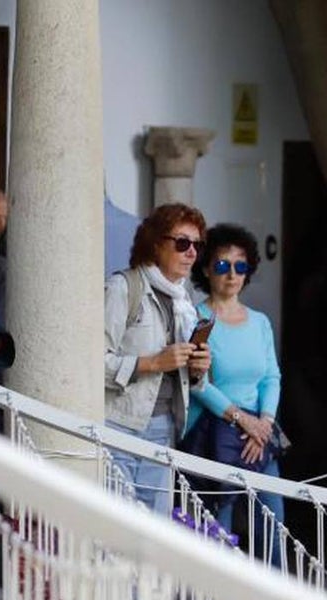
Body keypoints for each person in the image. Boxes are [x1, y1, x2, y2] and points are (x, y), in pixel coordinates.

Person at [183, 223, 284, 565]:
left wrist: (264, 424)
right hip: (216, 435)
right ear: (207, 269)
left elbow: (271, 376)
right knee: (217, 531)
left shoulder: (259, 323)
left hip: (258, 439)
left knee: (273, 525)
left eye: (240, 266)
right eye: (223, 265)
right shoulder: (197, 318)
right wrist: (243, 420)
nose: (231, 275)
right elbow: (198, 384)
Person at [103, 203, 211, 516]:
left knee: (154, 533)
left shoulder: (184, 300)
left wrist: (197, 370)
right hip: (118, 422)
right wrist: (152, 363)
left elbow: (188, 379)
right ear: (155, 244)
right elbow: (91, 363)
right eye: (182, 243)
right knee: (116, 525)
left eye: (196, 245)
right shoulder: (123, 288)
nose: (191, 252)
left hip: (164, 425)